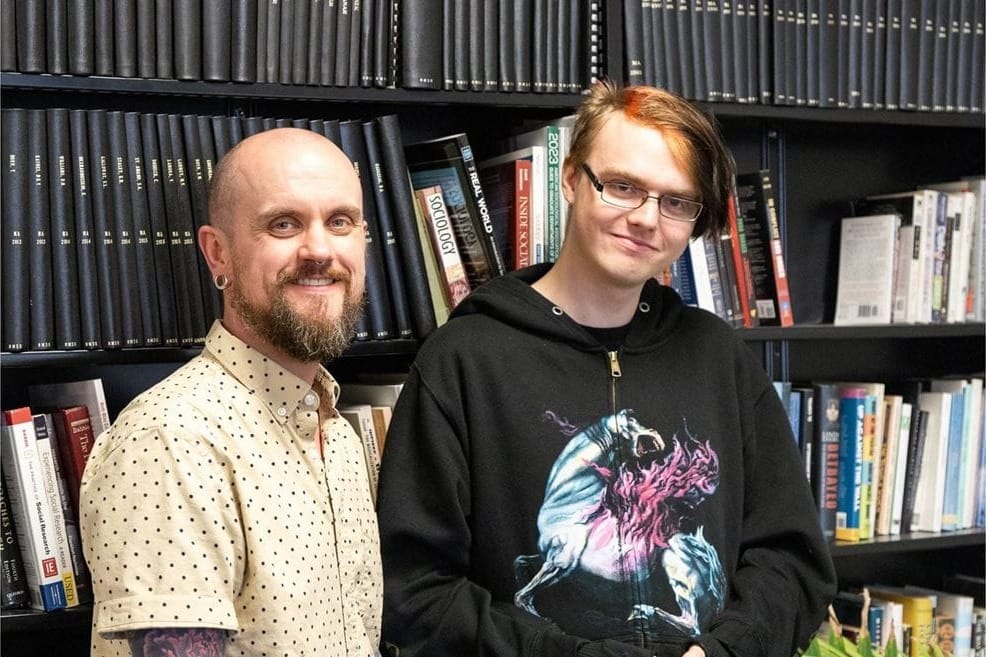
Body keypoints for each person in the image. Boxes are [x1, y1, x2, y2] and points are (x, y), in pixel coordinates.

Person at [376, 81, 837, 657]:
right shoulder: (464, 361)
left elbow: (794, 564)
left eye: (676, 201)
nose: (646, 219)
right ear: (571, 179)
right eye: (622, 187)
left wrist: (723, 651)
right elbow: (415, 590)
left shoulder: (719, 357)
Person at [80, 128, 383, 657]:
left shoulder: (336, 432)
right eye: (283, 224)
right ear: (218, 254)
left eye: (340, 222)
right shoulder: (172, 440)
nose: (319, 250)